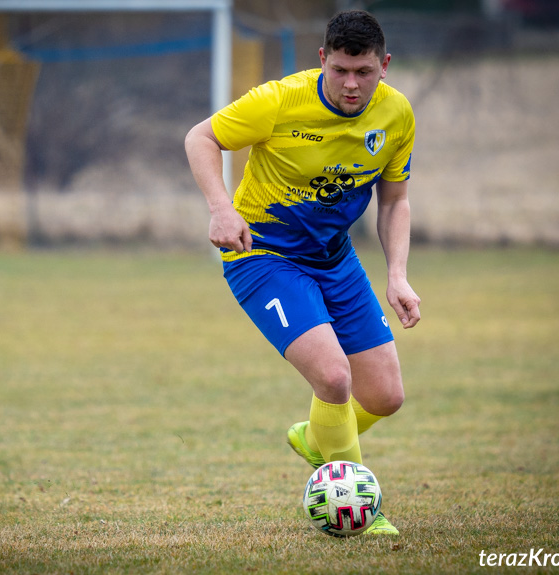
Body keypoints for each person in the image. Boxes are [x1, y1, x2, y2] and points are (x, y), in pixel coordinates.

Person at [184, 10, 421, 535]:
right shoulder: (279, 100)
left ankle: (319, 438)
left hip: (335, 257)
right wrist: (221, 208)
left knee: (384, 396)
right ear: (322, 60)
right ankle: (358, 504)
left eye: (363, 71)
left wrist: (397, 275)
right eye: (339, 70)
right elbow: (200, 138)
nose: (351, 84)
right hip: (263, 253)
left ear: (384, 65)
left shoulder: (397, 114)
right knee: (334, 376)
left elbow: (395, 200)